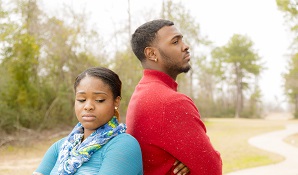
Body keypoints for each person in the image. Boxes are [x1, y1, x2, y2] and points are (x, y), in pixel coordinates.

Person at [126, 19, 222, 175]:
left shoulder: (143, 92)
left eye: (182, 40)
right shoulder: (170, 102)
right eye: (175, 42)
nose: (185, 46)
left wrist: (191, 163)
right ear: (152, 54)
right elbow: (211, 169)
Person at [33, 67, 143, 175]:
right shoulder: (60, 147)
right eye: (82, 100)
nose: (88, 106)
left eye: (99, 100)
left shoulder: (123, 145)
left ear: (116, 101)